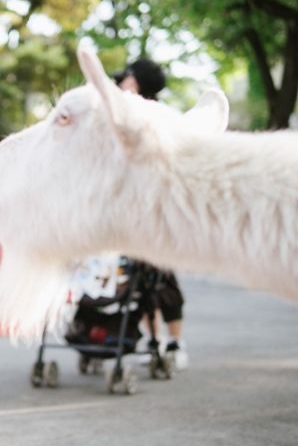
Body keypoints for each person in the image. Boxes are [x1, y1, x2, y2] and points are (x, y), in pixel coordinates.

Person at [114, 58, 189, 370]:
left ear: (135, 82)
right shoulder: (124, 115)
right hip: (133, 214)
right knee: (138, 282)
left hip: (157, 214)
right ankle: (155, 340)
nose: (120, 82)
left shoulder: (154, 118)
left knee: (161, 280)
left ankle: (174, 342)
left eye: (127, 78)